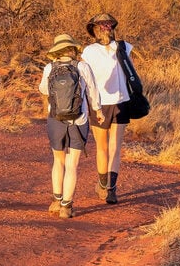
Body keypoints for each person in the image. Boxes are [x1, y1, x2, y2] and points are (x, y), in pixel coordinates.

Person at [39, 34, 104, 219]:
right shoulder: (82, 66)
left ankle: (56, 200)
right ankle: (66, 207)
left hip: (55, 119)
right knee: (72, 164)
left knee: (57, 161)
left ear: (57, 51)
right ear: (73, 49)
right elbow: (92, 91)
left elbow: (43, 89)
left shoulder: (49, 68)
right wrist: (98, 111)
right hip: (79, 120)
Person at [81, 13, 132, 205]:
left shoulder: (89, 51)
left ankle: (103, 186)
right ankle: (111, 190)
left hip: (99, 103)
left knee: (101, 148)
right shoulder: (124, 46)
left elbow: (84, 78)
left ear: (94, 30)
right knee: (115, 148)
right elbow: (131, 74)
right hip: (121, 101)